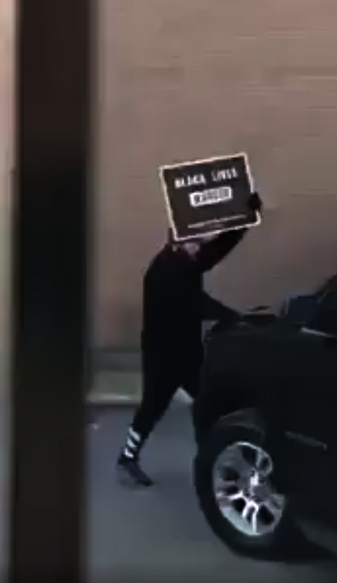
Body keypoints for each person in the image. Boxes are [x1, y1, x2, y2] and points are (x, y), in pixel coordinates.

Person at [117, 195, 262, 487]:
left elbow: (217, 249)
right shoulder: (165, 272)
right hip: (162, 354)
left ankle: (212, 457)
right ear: (177, 243)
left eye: (199, 242)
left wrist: (246, 217)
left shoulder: (186, 259)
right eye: (195, 242)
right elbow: (195, 303)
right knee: (153, 406)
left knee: (207, 401)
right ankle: (127, 458)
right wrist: (234, 317)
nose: (200, 248)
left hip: (187, 350)